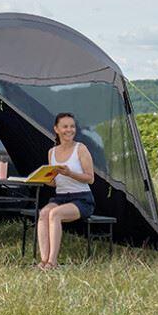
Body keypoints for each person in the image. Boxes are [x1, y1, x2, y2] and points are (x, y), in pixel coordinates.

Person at [36, 112, 96, 270]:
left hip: (81, 199)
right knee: (43, 213)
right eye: (65, 127)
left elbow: (90, 178)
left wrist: (70, 173)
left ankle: (52, 262)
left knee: (55, 214)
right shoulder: (52, 152)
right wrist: (43, 179)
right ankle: (43, 261)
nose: (69, 130)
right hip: (61, 197)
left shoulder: (81, 149)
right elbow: (56, 183)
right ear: (56, 129)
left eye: (72, 126)